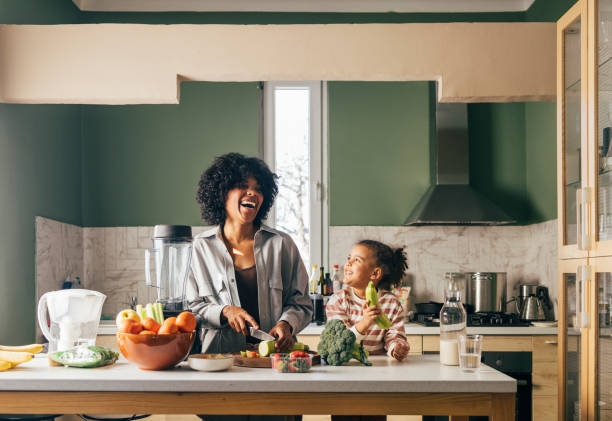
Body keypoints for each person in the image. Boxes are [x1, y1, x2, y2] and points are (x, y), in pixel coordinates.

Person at [186, 153, 312, 421]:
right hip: (220, 368)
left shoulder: (282, 244)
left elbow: (301, 302)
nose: (252, 193)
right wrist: (225, 312)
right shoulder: (201, 247)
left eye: (259, 189)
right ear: (221, 192)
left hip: (276, 368)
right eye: (243, 185)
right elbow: (191, 308)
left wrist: (286, 324)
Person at [325, 240, 410, 421]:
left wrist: (397, 347)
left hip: (377, 379)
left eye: (356, 260)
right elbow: (337, 345)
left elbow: (394, 334)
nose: (348, 263)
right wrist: (364, 323)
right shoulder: (338, 300)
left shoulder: (390, 302)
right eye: (349, 258)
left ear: (375, 273)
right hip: (344, 377)